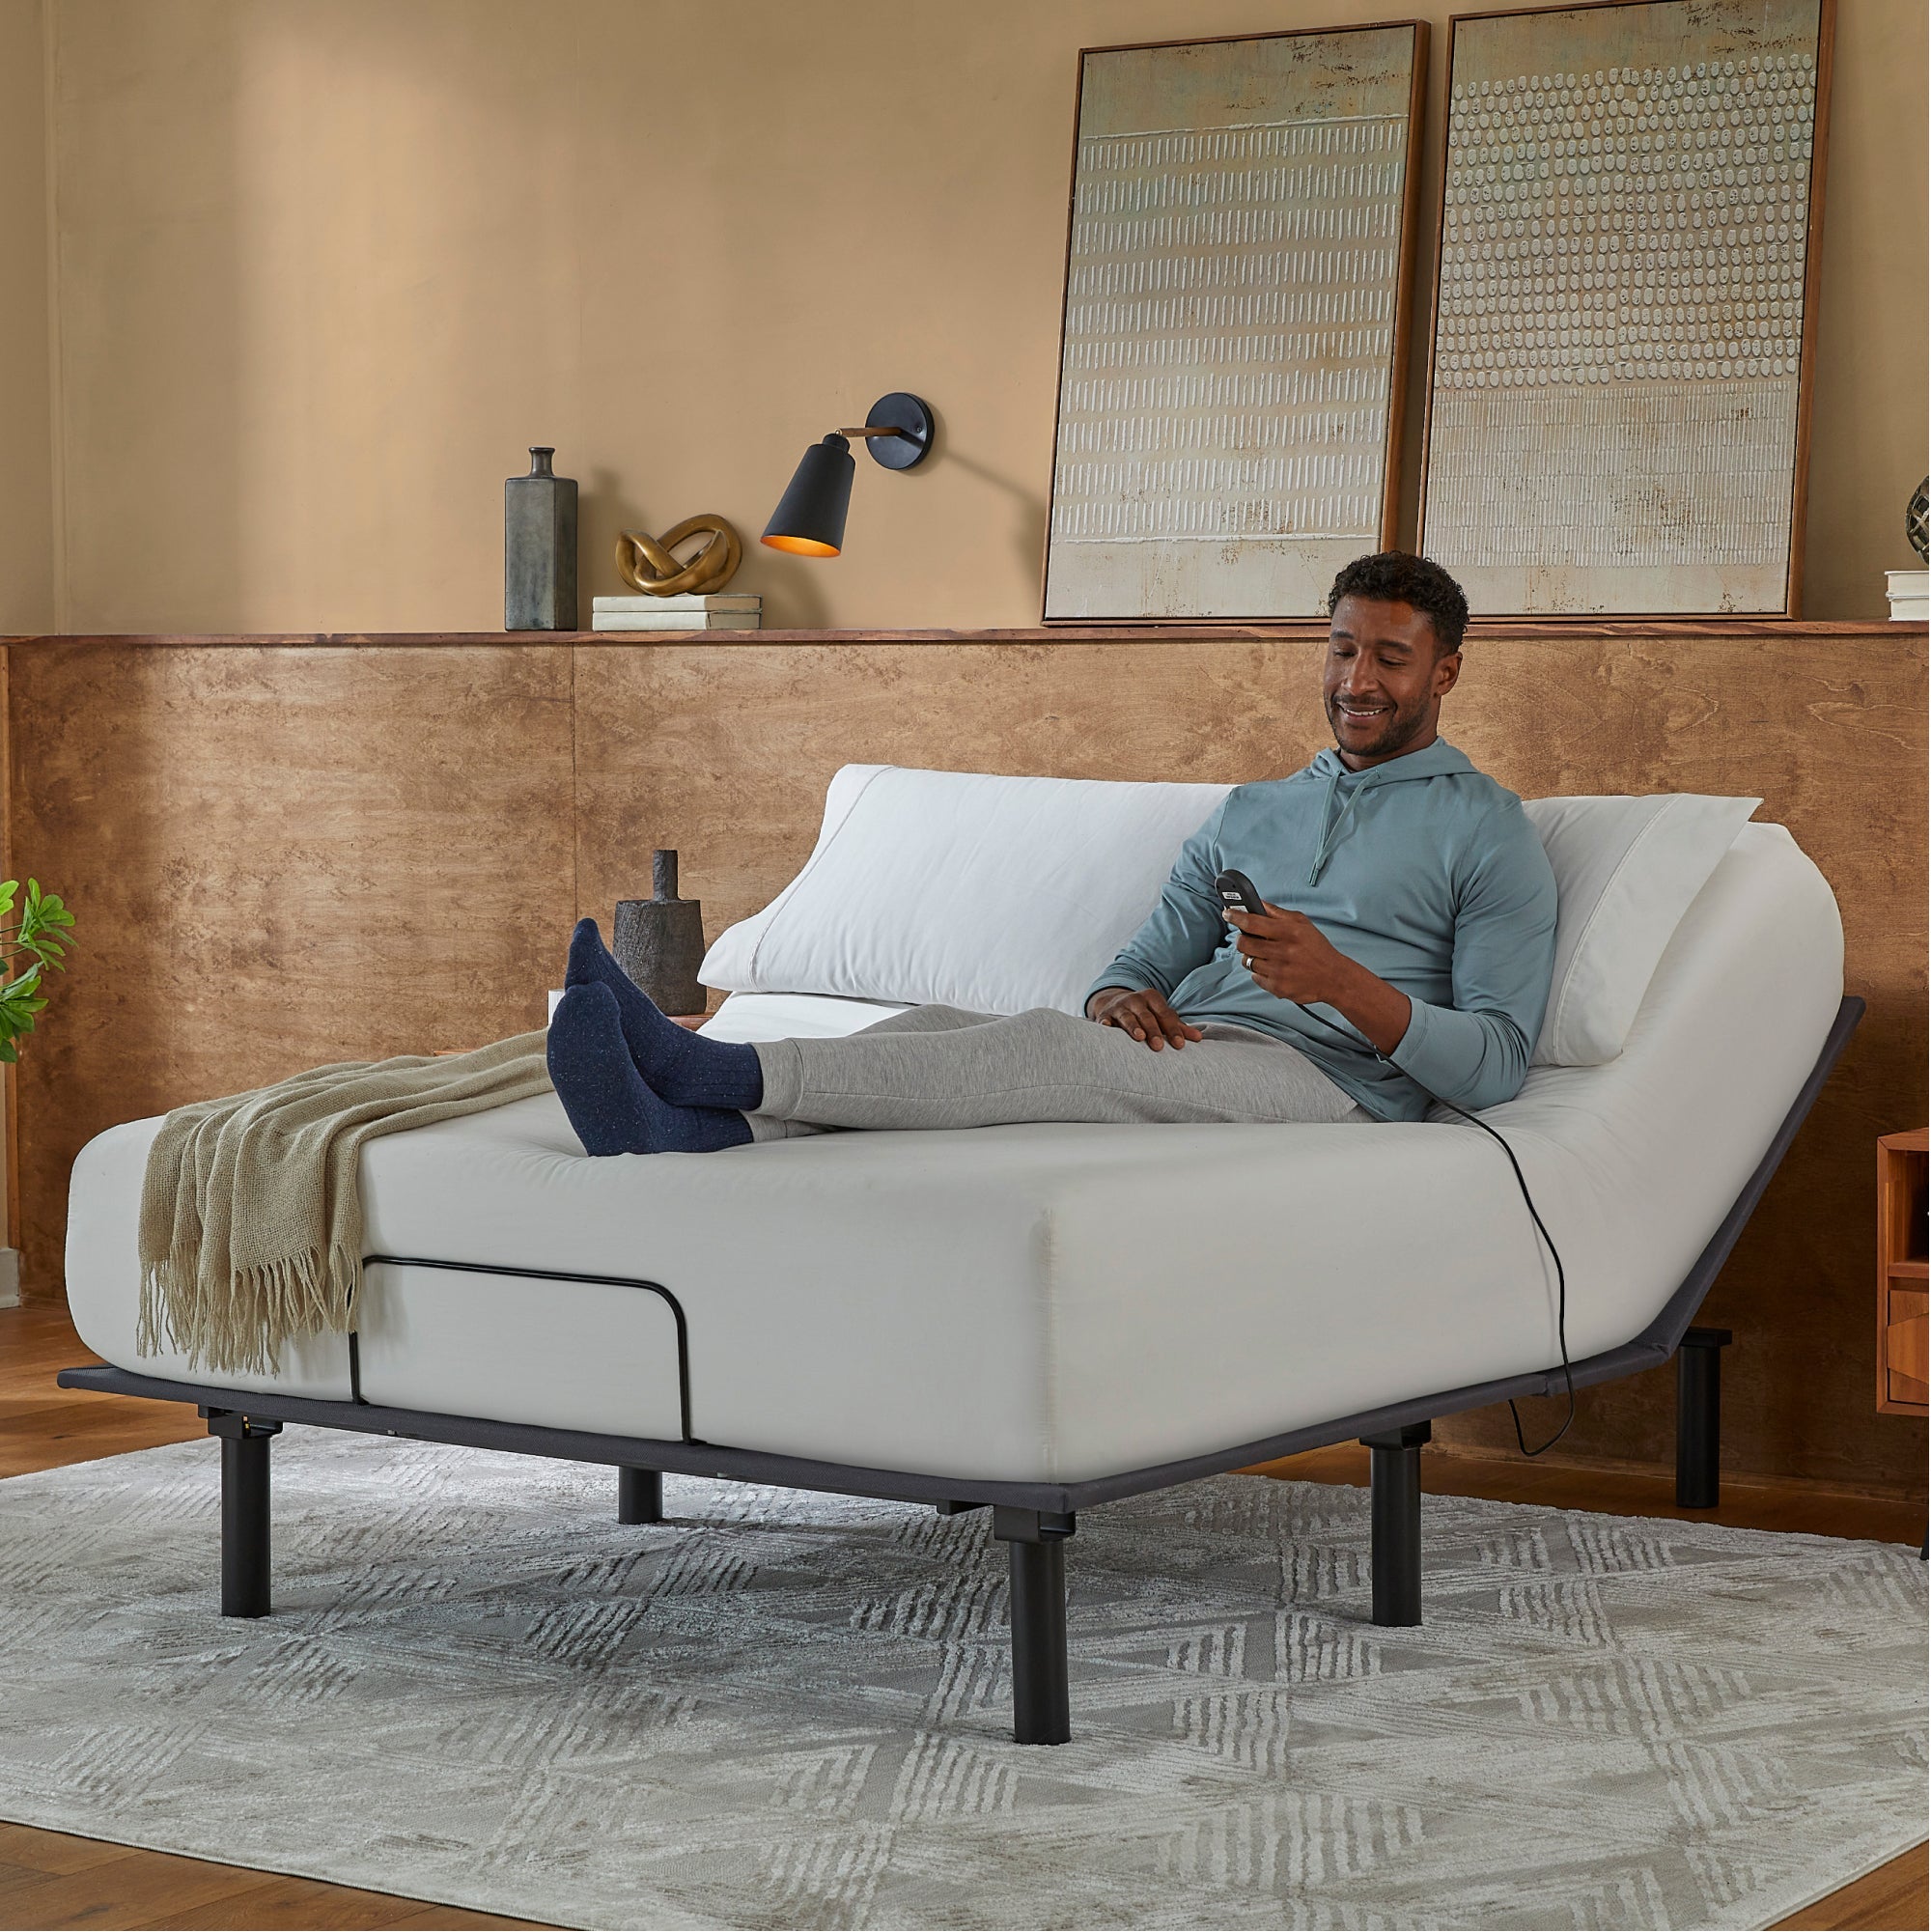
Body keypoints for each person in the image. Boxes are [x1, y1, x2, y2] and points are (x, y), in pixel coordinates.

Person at [546, 551, 1559, 1156]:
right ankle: (690, 1124)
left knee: (1030, 1051)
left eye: (1390, 656)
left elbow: (1496, 1067)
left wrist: (1339, 982)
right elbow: (1137, 963)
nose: (1357, 679)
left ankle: (697, 1066)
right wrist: (1114, 1000)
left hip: (1331, 1082)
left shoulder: (1487, 828)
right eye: (1342, 648)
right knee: (938, 1023)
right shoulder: (1252, 810)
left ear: (1446, 670)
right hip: (1193, 1045)